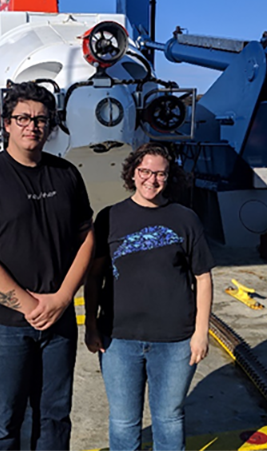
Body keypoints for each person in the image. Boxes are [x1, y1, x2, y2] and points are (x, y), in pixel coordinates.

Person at [0, 81, 94, 451]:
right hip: (3, 324)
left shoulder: (66, 175)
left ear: (51, 125)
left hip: (59, 319)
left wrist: (62, 299)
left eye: (41, 119)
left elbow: (87, 238)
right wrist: (30, 305)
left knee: (54, 414)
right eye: (23, 118)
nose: (32, 125)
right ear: (6, 122)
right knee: (4, 418)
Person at [85, 142, 214, 451]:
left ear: (169, 177)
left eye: (160, 174)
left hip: (175, 341)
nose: (152, 180)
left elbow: (203, 277)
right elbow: (94, 276)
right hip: (118, 339)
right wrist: (90, 325)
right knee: (123, 420)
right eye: (145, 171)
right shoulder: (109, 217)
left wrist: (200, 333)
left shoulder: (185, 219)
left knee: (168, 417)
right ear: (133, 172)